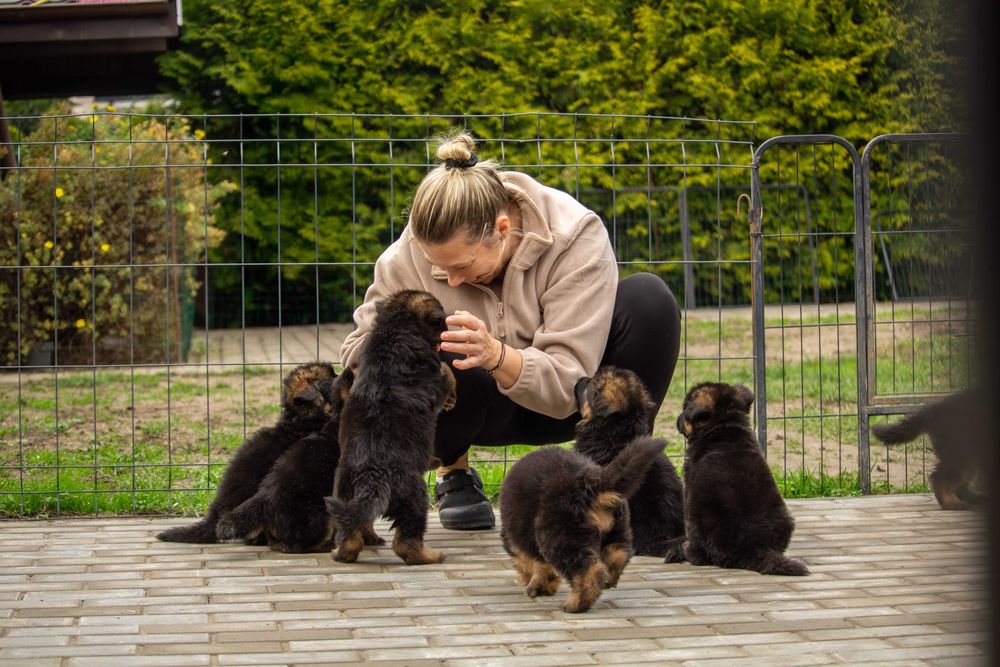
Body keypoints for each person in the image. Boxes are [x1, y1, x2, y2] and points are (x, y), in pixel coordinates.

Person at [340, 130, 682, 530]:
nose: (450, 281)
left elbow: (568, 381)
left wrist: (499, 355)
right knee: (437, 347)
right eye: (439, 267)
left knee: (649, 300)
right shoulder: (411, 250)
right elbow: (353, 355)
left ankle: (619, 472)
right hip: (467, 409)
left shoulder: (574, 235)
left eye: (462, 266)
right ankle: (453, 469)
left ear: (502, 228)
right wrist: (405, 342)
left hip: (567, 403)